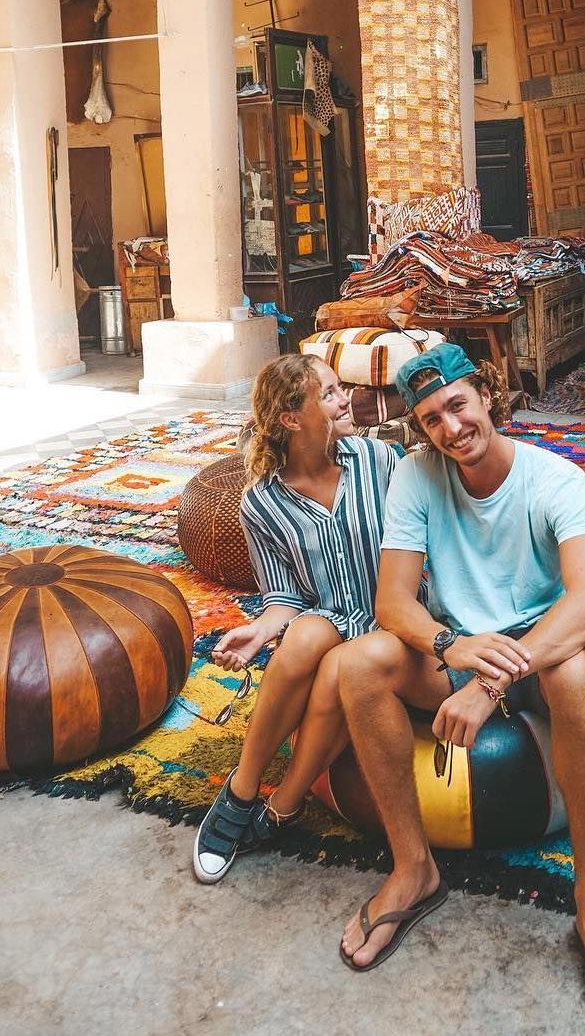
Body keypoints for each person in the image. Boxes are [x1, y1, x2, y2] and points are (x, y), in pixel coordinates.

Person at [336, 342, 585, 1029]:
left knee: (574, 674)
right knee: (358, 664)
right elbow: (393, 600)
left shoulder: (555, 479)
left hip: (547, 646)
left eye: (458, 405)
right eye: (431, 419)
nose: (450, 428)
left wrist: (489, 685)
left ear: (486, 394)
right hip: (464, 644)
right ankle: (414, 869)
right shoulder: (417, 475)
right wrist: (451, 647)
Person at [192, 353, 401, 885]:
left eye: (340, 388)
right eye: (329, 394)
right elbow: (283, 596)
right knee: (304, 634)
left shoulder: (379, 460)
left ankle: (281, 805)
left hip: (396, 615)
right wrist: (262, 629)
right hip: (331, 614)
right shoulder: (260, 504)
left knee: (336, 666)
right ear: (291, 418)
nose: (345, 400)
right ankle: (241, 790)